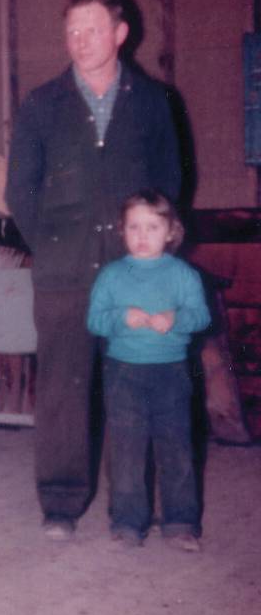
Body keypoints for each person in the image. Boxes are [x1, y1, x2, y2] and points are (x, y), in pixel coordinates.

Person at [5, 0, 182, 540]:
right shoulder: (41, 104)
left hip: (136, 274)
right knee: (62, 391)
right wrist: (57, 246)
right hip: (64, 276)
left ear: (120, 34)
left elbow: (171, 186)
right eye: (72, 33)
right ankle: (60, 504)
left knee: (137, 391)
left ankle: (132, 511)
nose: (81, 43)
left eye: (94, 30)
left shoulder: (154, 102)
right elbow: (20, 191)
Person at [87, 190, 208, 551]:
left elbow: (201, 316)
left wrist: (176, 318)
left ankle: (181, 522)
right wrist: (121, 318)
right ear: (121, 231)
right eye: (134, 227)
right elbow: (95, 320)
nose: (142, 236)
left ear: (171, 232)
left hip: (171, 373)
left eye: (152, 227)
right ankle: (127, 522)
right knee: (127, 449)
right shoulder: (111, 275)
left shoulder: (183, 274)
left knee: (176, 448)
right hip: (124, 373)